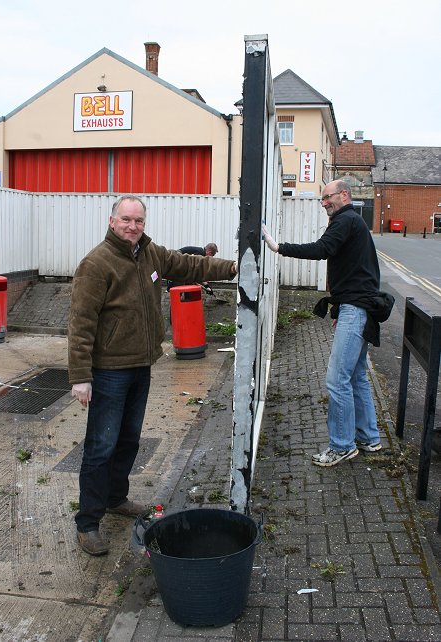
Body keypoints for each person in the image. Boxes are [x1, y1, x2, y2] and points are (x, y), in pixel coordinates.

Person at [68, 195, 236, 555]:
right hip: (109, 370)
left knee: (129, 440)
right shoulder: (96, 264)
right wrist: (80, 376)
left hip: (141, 365)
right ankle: (88, 522)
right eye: (126, 219)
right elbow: (80, 324)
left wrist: (235, 268)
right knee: (101, 447)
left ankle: (116, 498)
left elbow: (191, 265)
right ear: (112, 221)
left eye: (139, 220)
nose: (132, 226)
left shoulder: (151, 254)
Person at [262, 179, 393, 468]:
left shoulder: (345, 220)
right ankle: (369, 437)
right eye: (322, 199)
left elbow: (322, 248)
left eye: (327, 198)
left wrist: (277, 246)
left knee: (337, 380)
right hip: (358, 308)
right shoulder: (352, 222)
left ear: (344, 195)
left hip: (357, 310)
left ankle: (342, 446)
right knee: (356, 376)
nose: (323, 203)